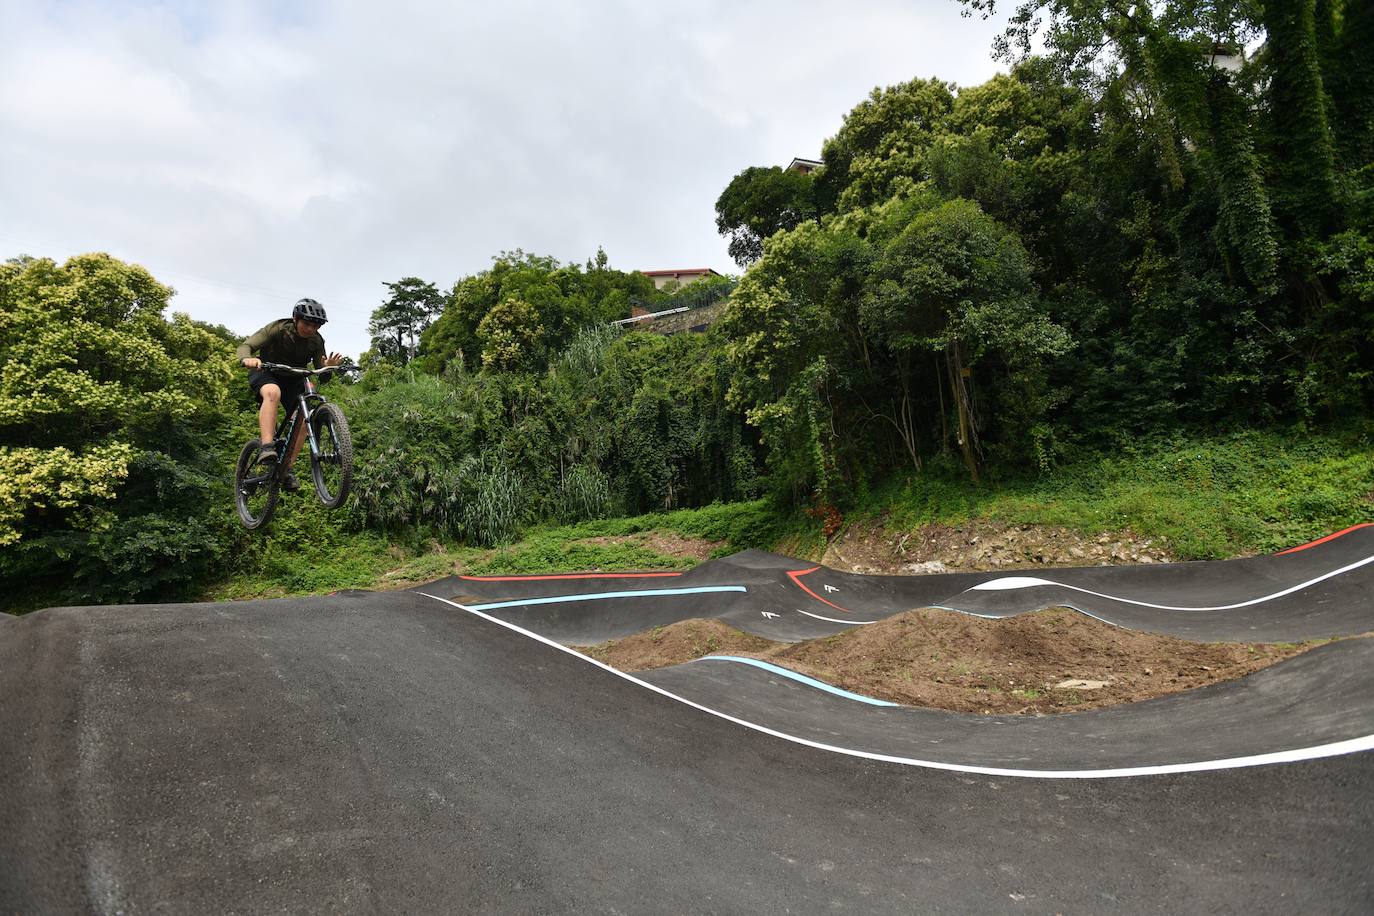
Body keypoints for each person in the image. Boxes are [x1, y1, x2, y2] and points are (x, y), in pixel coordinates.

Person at [236, 298, 344, 491]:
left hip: (294, 378)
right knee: (272, 392)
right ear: (296, 318)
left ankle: (286, 469)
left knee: (305, 417)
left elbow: (322, 375)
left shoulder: (316, 341)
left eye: (316, 326)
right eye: (307, 324)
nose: (310, 329)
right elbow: (246, 346)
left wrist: (328, 368)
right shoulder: (278, 329)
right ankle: (267, 447)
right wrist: (247, 359)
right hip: (267, 371)